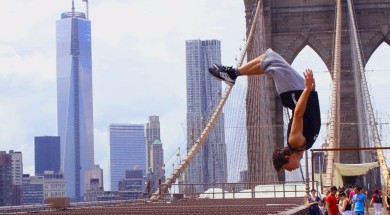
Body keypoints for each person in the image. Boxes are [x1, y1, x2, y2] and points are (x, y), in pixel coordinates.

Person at [208, 48, 321, 172]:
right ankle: (232, 74)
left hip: (296, 93)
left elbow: (298, 114)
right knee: (268, 59)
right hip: (301, 93)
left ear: (288, 157)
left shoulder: (295, 142)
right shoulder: (304, 146)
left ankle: (232, 74)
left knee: (270, 59)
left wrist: (307, 89)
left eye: (286, 168)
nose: (289, 170)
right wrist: (311, 92)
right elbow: (311, 116)